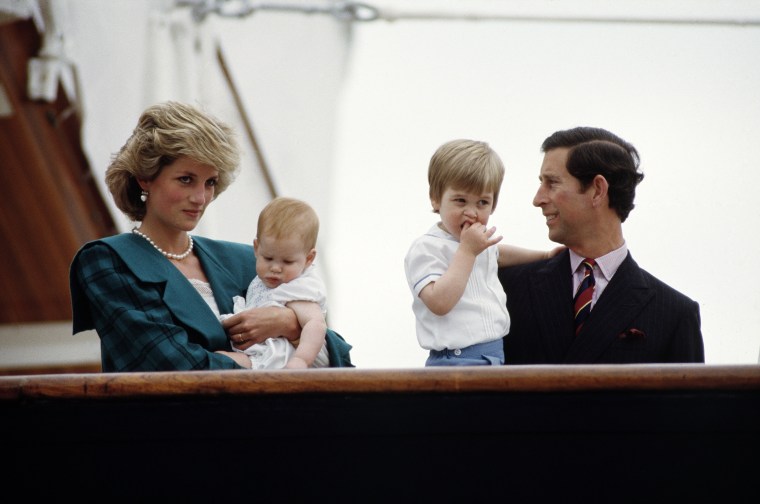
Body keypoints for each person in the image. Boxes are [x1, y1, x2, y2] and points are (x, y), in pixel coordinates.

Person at [69, 101, 352, 371]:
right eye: (186, 179)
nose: (200, 197)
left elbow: (339, 360)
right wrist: (260, 364)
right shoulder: (109, 261)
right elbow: (170, 366)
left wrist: (288, 324)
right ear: (145, 177)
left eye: (210, 182)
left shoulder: (247, 260)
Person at [498, 126, 704, 364]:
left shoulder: (674, 314)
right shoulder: (504, 286)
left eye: (552, 183)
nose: (538, 199)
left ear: (597, 190)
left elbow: (688, 402)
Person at [404, 139, 561, 366]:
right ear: (436, 198)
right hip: (456, 360)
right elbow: (439, 302)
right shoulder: (427, 248)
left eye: (482, 202)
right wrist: (467, 252)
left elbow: (498, 254)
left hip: (494, 355)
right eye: (460, 200)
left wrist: (544, 256)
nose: (471, 212)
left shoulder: (477, 245)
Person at [217, 196, 330, 370]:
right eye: (268, 258)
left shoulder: (298, 288)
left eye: (287, 262)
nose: (276, 268)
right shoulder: (266, 280)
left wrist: (301, 360)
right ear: (256, 248)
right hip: (259, 348)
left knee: (219, 361)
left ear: (308, 259)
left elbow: (315, 324)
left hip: (281, 357)